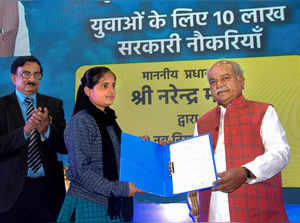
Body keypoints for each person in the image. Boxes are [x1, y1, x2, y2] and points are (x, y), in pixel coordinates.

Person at [188, 60, 290, 222]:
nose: (219, 85)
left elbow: (280, 153)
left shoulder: (263, 111)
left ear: (241, 81)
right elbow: (194, 166)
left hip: (256, 211)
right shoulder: (202, 122)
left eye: (225, 78)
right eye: (213, 82)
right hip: (213, 213)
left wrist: (246, 172)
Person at [57, 66, 143, 223]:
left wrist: (147, 149)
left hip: (112, 204)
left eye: (113, 85)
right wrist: (120, 189)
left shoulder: (108, 120)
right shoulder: (81, 122)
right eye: (105, 85)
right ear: (88, 91)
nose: (111, 91)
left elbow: (119, 157)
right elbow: (81, 171)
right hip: (89, 203)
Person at [0, 56, 67, 223]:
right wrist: (26, 130)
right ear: (13, 77)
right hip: (11, 193)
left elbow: (65, 146)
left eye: (37, 74)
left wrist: (46, 130)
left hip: (47, 190)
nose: (31, 79)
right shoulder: (2, 106)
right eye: (26, 74)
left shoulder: (53, 105)